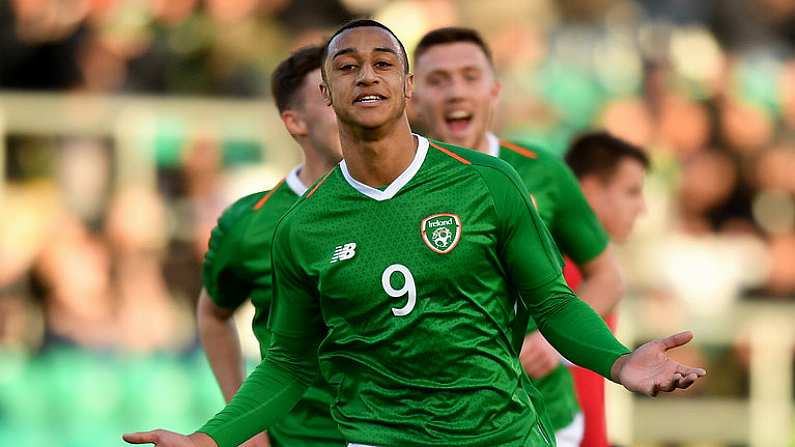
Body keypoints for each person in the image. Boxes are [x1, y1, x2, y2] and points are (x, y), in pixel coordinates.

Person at [123, 19, 705, 447]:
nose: (366, 74)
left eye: (383, 63)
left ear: (406, 88)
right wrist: (211, 439)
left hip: (501, 435)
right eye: (346, 67)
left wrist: (620, 363)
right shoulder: (300, 228)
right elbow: (290, 362)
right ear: (325, 95)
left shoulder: (488, 183)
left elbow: (552, 301)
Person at [410, 27, 622, 446]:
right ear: (412, 96)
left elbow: (607, 277)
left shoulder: (541, 171)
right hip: (429, 420)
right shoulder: (390, 186)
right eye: (438, 80)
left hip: (540, 414)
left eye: (470, 76)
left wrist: (553, 342)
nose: (456, 92)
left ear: (494, 89)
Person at [196, 45, 344, 447]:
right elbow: (213, 313)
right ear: (295, 122)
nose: (349, 104)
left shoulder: (412, 201)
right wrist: (245, 425)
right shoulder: (252, 222)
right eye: (329, 96)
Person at [563, 131, 649, 447]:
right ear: (590, 191)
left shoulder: (584, 266)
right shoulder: (561, 268)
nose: (642, 208)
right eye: (632, 192)